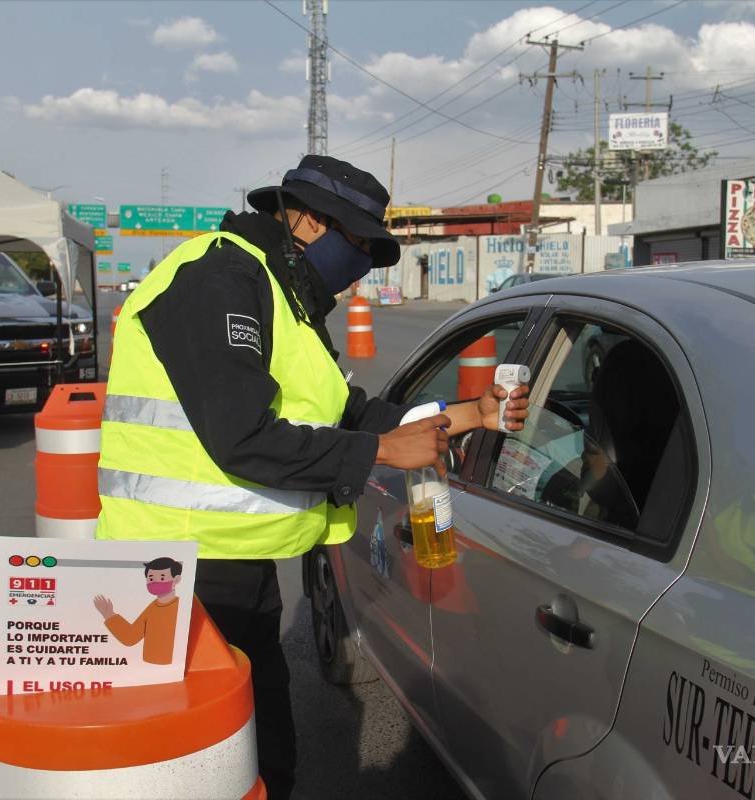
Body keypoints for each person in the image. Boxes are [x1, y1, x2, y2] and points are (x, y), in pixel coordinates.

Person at [95, 155, 529, 799]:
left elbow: (347, 413)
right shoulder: (220, 277)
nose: (359, 263)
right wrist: (379, 451)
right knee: (205, 772)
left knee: (265, 761)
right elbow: (241, 435)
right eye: (354, 242)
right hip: (176, 576)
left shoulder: (285, 295)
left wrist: (469, 413)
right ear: (302, 217)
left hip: (239, 568)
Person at [93, 557, 183, 666]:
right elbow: (131, 637)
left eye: (162, 578)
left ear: (176, 580)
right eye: (150, 578)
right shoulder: (153, 607)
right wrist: (109, 615)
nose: (154, 582)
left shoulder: (181, 606)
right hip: (148, 665)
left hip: (174, 666)